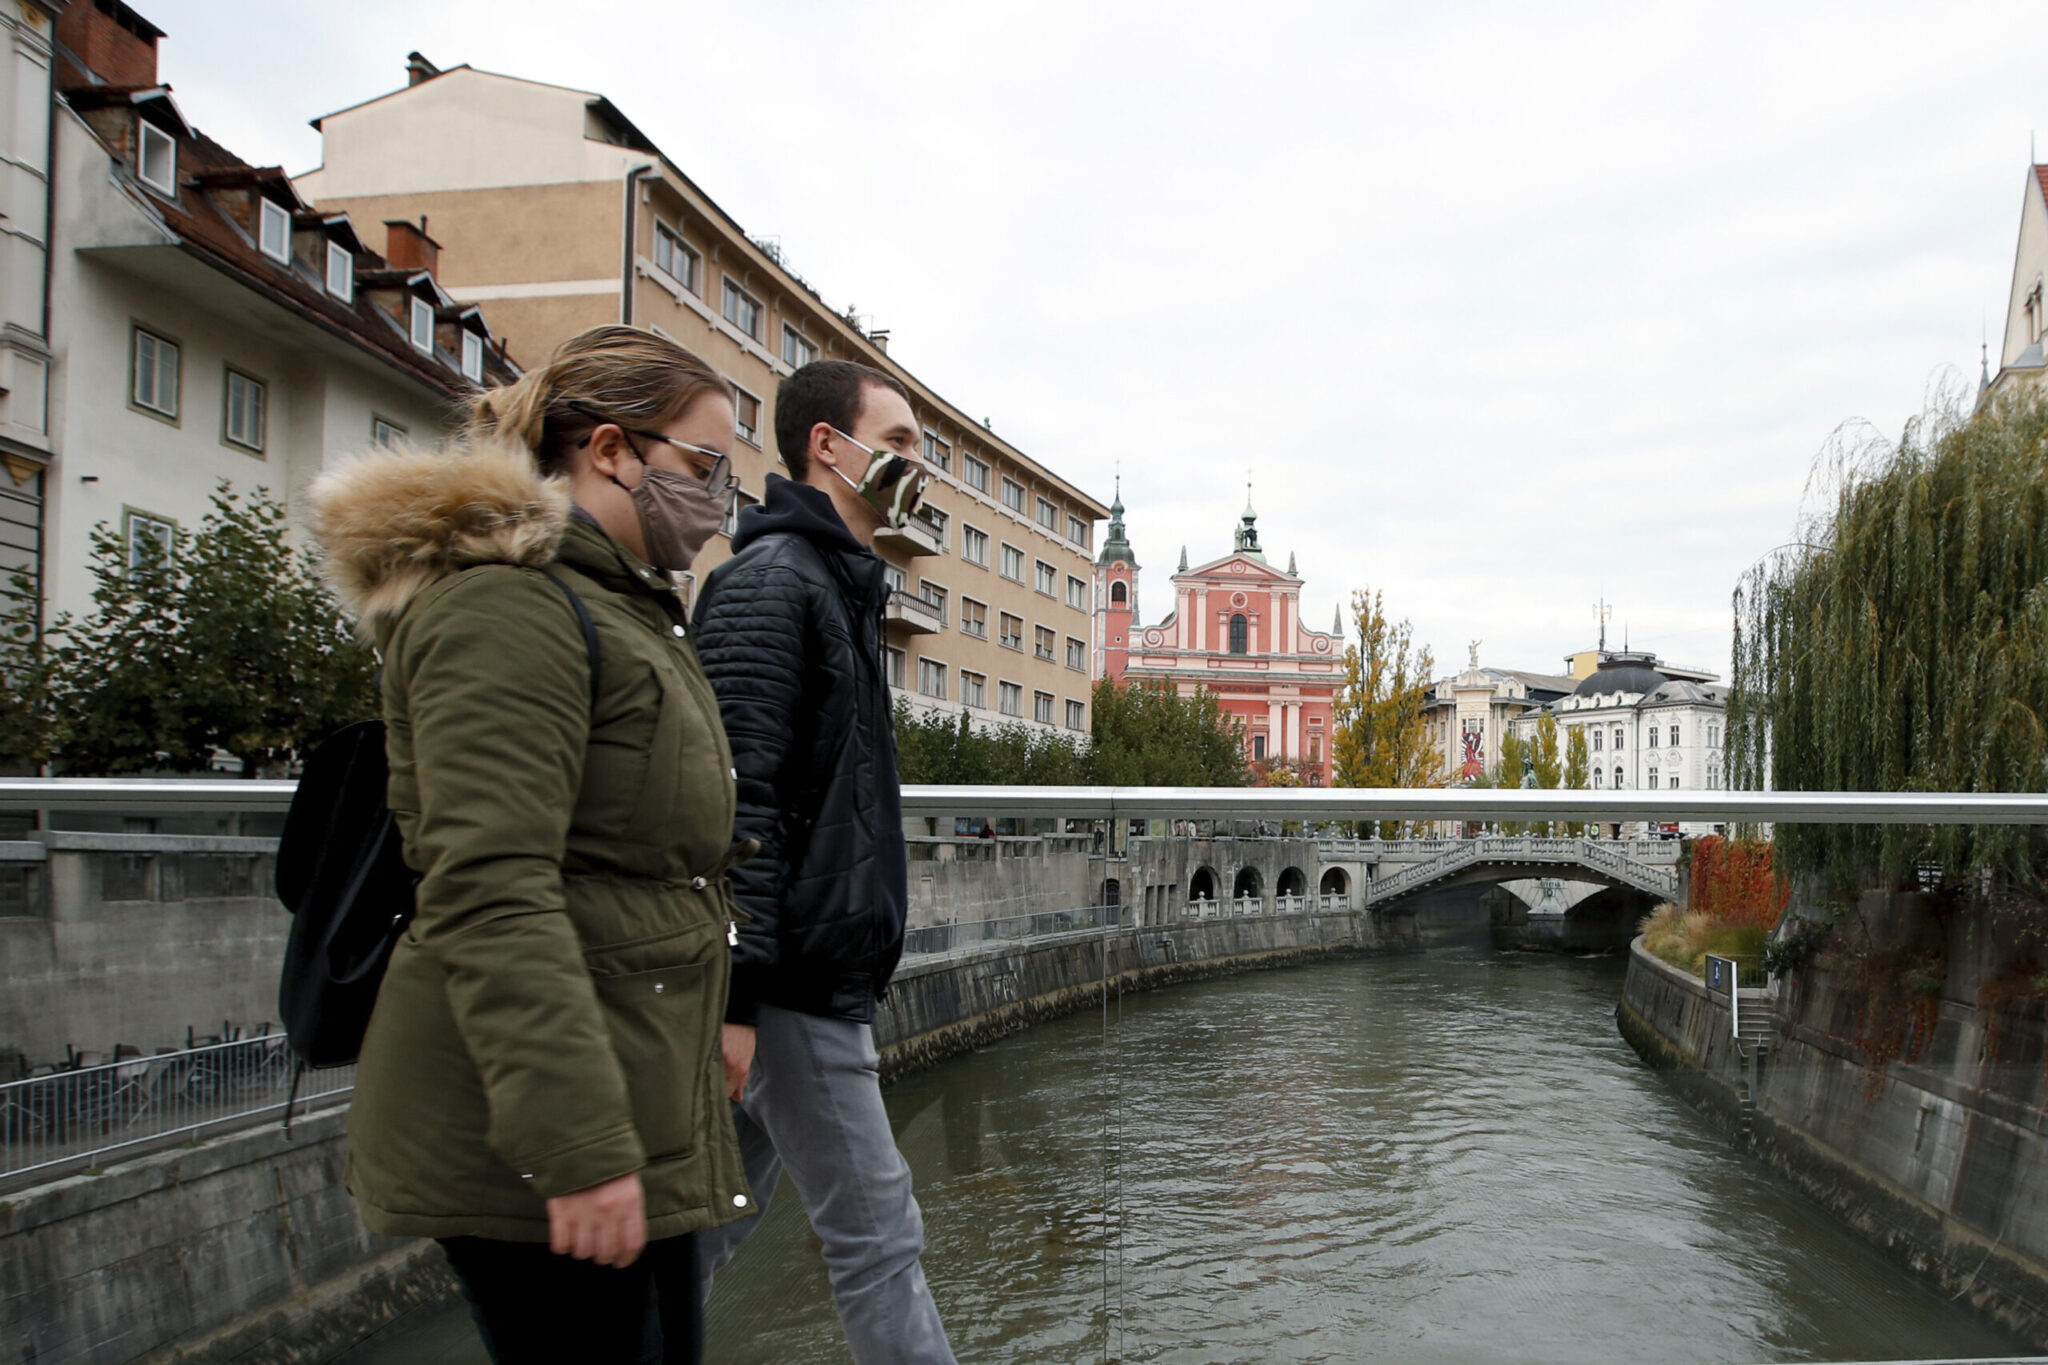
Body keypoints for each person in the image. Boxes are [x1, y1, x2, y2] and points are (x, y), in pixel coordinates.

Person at [309, 326, 753, 1365]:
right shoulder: (509, 605)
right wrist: (578, 1147)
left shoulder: (625, 609)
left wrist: (731, 1008)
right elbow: (488, 884)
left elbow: (660, 857)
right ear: (609, 450)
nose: (722, 494)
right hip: (541, 1119)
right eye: (704, 464)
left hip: (631, 1075)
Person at [691, 359, 958, 1364]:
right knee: (878, 1233)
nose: (912, 473)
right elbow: (734, 800)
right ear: (824, 446)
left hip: (807, 963)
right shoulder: (772, 583)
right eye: (895, 448)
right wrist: (736, 991)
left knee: (711, 1219)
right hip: (792, 973)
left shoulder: (836, 586)